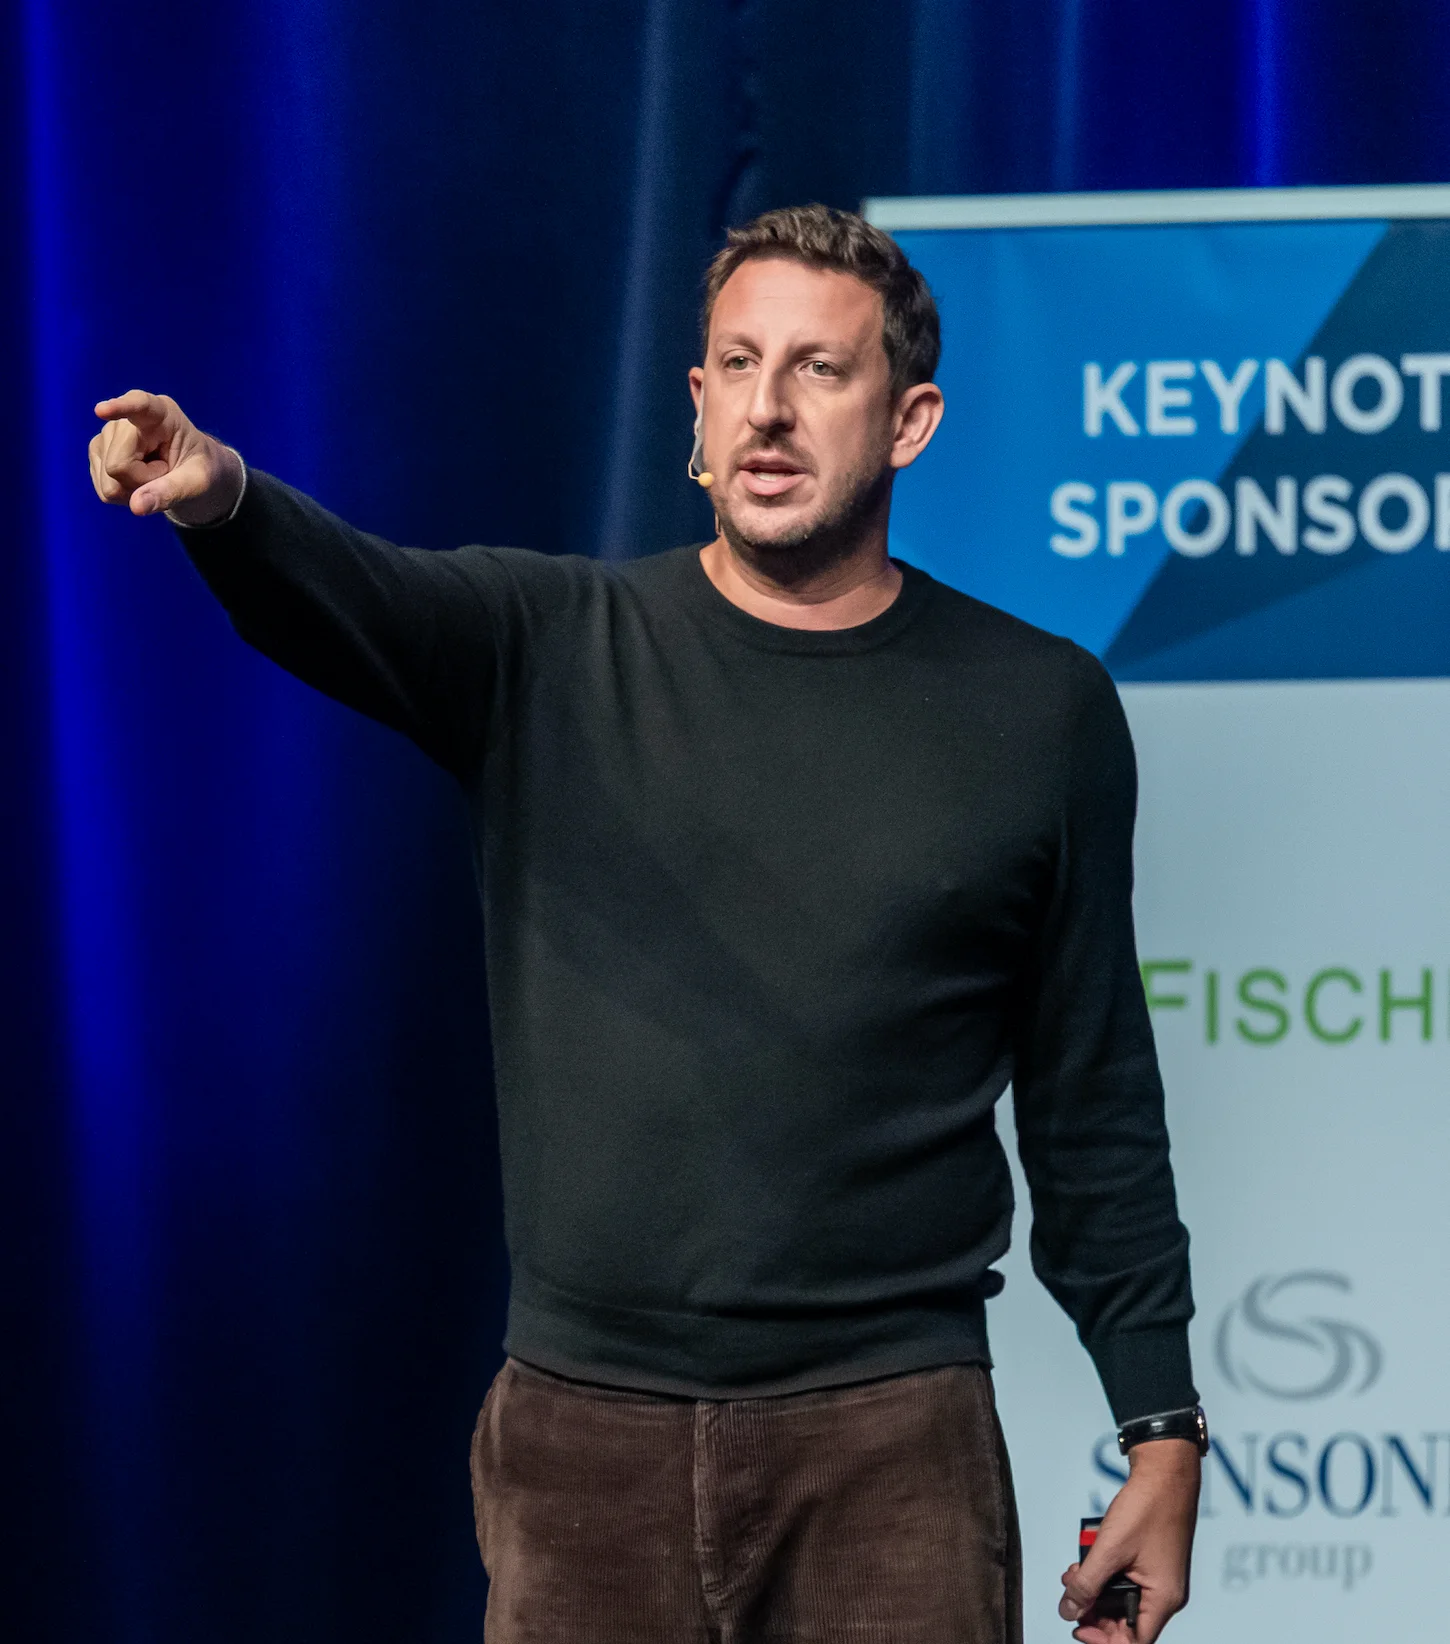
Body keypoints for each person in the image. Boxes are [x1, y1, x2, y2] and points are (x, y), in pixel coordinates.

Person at [88, 204, 1202, 1644]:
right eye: (736, 364)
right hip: (579, 1445)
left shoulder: (1036, 709)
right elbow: (350, 593)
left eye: (818, 369)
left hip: (890, 1446)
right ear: (694, 401)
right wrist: (220, 492)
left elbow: (1090, 1096)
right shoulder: (549, 646)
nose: (768, 406)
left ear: (908, 420)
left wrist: (1158, 1426)